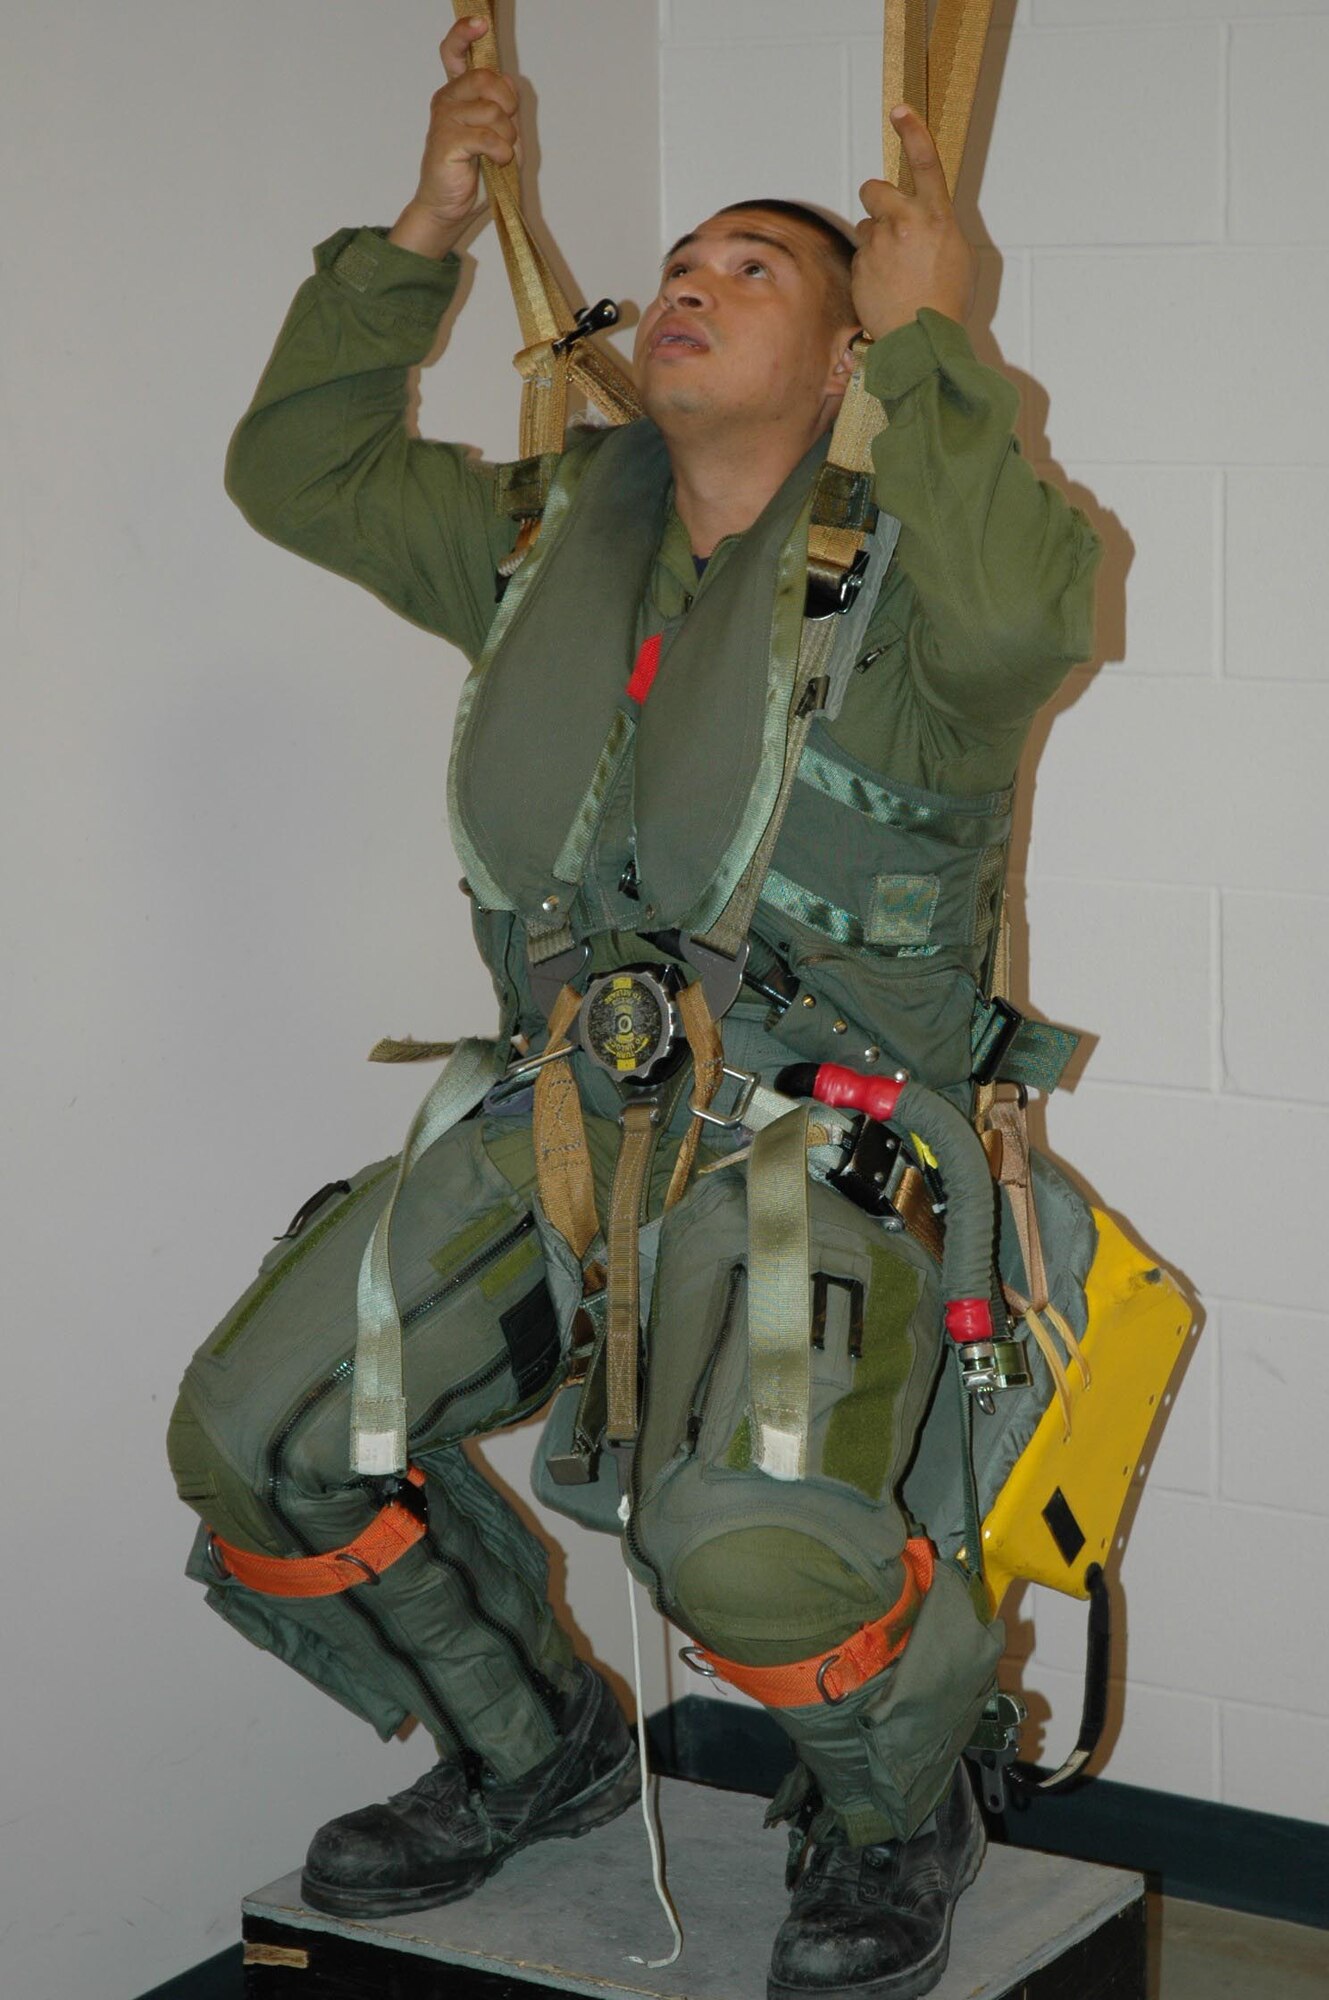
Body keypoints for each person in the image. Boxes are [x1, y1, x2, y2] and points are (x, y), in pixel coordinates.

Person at [169, 18, 1100, 2000]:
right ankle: (534, 1754)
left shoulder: (926, 570)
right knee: (257, 1439)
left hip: (814, 1143)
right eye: (681, 262)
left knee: (746, 1547)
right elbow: (291, 466)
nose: (692, 280)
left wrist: (942, 336)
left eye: (756, 269)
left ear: (848, 358)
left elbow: (1041, 619)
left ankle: (890, 1804)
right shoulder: (538, 538)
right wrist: (423, 220)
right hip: (558, 1120)